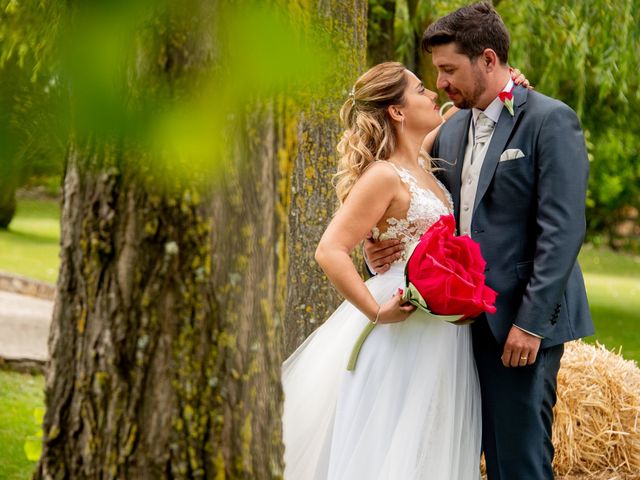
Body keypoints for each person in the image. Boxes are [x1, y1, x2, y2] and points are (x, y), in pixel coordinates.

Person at [365, 3, 595, 479]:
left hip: (519, 328)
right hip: (455, 327)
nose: (442, 83)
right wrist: (381, 251)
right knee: (463, 454)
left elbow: (563, 229)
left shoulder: (550, 121)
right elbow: (421, 211)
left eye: (449, 69)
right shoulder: (449, 130)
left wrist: (530, 324)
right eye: (437, 73)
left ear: (488, 60)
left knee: (519, 460)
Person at [282, 61, 483, 479]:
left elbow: (454, 110)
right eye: (420, 89)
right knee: (387, 440)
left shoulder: (422, 163)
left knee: (426, 441)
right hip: (400, 321)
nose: (433, 93)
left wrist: (509, 79)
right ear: (397, 110)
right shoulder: (383, 176)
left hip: (440, 330)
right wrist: (375, 311)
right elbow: (330, 250)